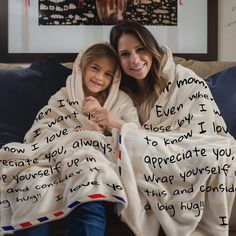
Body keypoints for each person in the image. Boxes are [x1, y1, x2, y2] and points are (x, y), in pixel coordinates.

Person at [109, 20, 236, 236]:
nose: (135, 60)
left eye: (140, 50)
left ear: (152, 48)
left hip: (187, 150)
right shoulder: (118, 94)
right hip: (149, 157)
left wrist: (127, 129)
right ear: (118, 59)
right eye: (125, 54)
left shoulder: (184, 80)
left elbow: (203, 132)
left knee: (215, 155)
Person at [2, 42, 139, 236]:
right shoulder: (63, 95)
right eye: (95, 69)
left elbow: (136, 136)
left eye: (108, 74)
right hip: (55, 155)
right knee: (36, 187)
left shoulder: (121, 101)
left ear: (115, 78)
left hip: (94, 159)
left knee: (90, 194)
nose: (100, 78)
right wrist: (74, 134)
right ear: (82, 67)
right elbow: (41, 128)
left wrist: (104, 125)